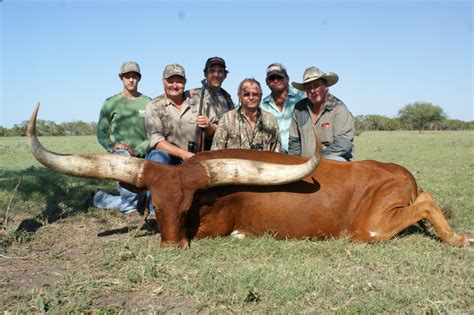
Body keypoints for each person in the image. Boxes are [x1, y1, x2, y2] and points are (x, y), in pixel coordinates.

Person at [90, 61, 151, 218]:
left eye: (134, 77)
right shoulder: (110, 103)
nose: (131, 80)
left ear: (139, 79)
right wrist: (113, 147)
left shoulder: (148, 102)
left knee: (142, 199)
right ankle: (129, 211)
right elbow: (102, 133)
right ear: (121, 78)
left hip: (144, 154)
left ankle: (99, 198)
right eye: (127, 76)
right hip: (122, 157)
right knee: (124, 157)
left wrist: (138, 150)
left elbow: (153, 133)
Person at [145, 63, 218, 165]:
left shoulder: (199, 100)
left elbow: (217, 132)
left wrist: (208, 126)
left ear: (185, 82)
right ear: (163, 82)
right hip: (168, 157)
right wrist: (184, 155)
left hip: (197, 157)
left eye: (179, 81)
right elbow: (157, 142)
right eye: (170, 81)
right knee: (158, 157)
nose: (175, 86)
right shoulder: (154, 106)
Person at [288, 66, 354, 161]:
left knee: (339, 160)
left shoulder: (339, 108)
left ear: (325, 86)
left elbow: (343, 144)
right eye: (309, 87)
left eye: (316, 86)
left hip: (331, 160)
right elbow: (294, 142)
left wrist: (316, 161)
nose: (313, 91)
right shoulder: (299, 109)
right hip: (305, 163)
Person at [211, 78, 281, 152]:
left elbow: (277, 152)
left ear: (261, 96)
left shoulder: (270, 119)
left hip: (263, 163)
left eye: (255, 94)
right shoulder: (227, 119)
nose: (251, 98)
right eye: (246, 94)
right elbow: (216, 152)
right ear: (239, 96)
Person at [261, 63, 305, 153]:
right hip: (275, 158)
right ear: (266, 82)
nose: (276, 80)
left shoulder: (303, 97)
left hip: (302, 156)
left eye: (279, 77)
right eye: (272, 78)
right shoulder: (261, 105)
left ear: (287, 78)